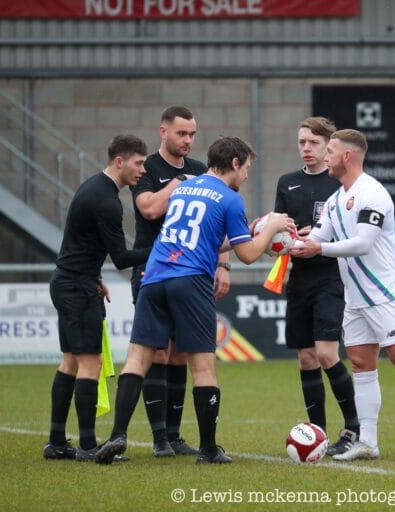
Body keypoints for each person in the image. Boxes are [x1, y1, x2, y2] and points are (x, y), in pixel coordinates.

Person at [95, 136, 295, 465]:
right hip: (190, 282)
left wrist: (254, 228)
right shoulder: (230, 199)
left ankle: (118, 434)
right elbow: (247, 255)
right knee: (203, 366)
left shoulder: (185, 188)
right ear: (234, 163)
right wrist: (271, 226)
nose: (246, 175)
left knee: (137, 359)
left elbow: (203, 241)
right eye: (246, 168)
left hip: (154, 276)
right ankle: (208, 449)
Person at [291, 129, 395, 463]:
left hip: (385, 294)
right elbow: (316, 238)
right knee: (362, 364)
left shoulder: (372, 193)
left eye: (330, 151)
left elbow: (362, 243)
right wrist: (277, 240)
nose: (325, 156)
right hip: (355, 299)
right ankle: (367, 441)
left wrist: (319, 247)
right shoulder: (335, 201)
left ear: (347, 156)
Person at [130, 106, 231, 458]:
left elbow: (217, 221)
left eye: (192, 134)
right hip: (152, 272)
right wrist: (177, 184)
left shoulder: (200, 171)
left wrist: (223, 264)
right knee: (157, 351)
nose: (188, 141)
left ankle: (174, 435)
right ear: (163, 132)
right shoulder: (148, 170)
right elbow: (149, 210)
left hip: (191, 275)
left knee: (180, 355)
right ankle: (158, 437)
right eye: (181, 134)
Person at [44, 134, 151, 461]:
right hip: (76, 288)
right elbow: (120, 257)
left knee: (71, 362)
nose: (142, 170)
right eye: (138, 163)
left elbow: (82, 244)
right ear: (119, 161)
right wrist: (164, 251)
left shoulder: (93, 186)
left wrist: (93, 276)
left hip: (72, 282)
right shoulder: (106, 200)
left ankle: (57, 442)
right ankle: (88, 447)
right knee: (91, 362)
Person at [273, 117, 359, 455]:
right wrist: (277, 238)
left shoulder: (340, 184)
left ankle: (353, 427)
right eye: (301, 142)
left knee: (326, 354)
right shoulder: (287, 183)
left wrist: (319, 236)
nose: (306, 148)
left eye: (313, 143)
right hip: (299, 280)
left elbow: (355, 235)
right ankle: (318, 434)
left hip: (331, 277)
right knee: (306, 358)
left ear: (328, 147)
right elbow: (277, 234)